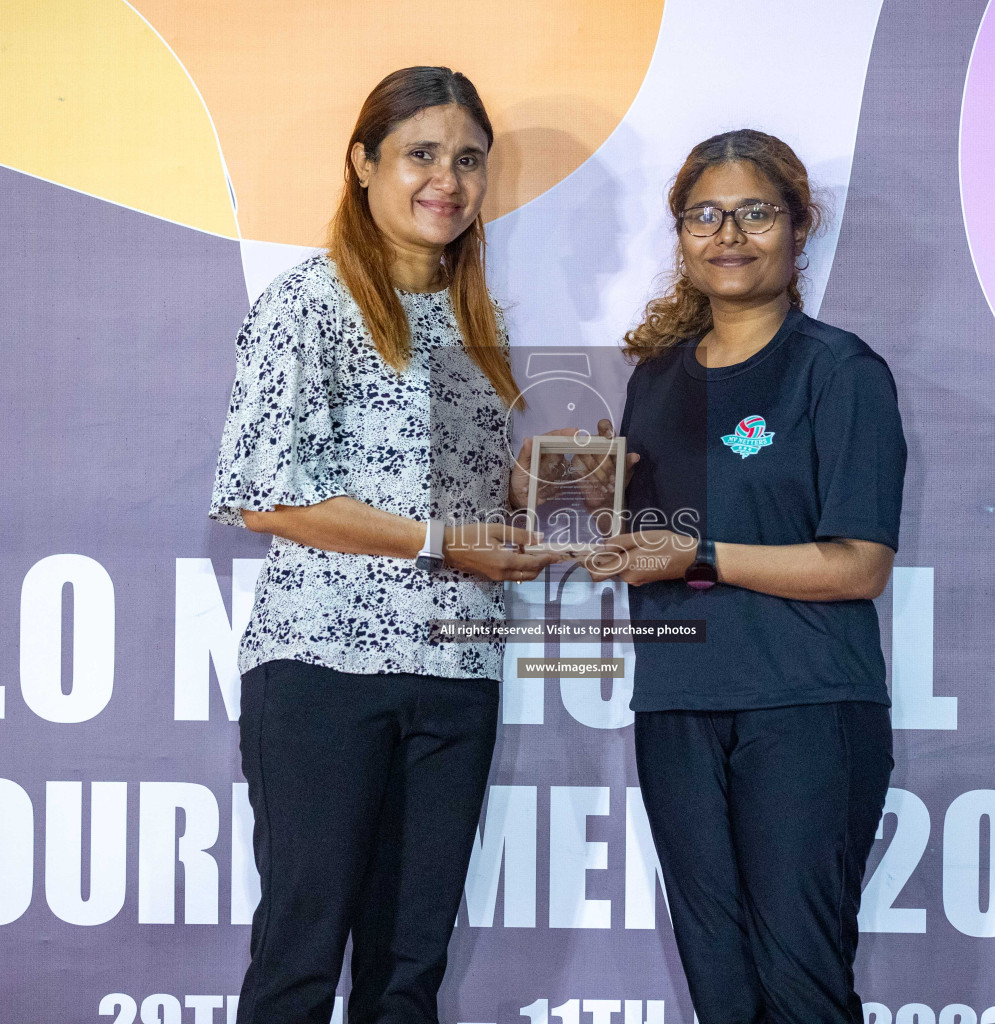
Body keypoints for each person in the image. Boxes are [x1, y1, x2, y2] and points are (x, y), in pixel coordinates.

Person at [208, 66, 561, 1024]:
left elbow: (450, 499)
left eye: (468, 160)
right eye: (420, 153)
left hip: (456, 674)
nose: (446, 178)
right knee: (300, 958)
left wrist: (540, 492)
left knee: (409, 973)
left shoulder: (476, 320)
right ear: (363, 163)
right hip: (325, 672)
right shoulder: (307, 303)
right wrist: (452, 543)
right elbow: (263, 495)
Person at [580, 129, 907, 1024]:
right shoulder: (655, 378)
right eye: (704, 215)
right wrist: (567, 489)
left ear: (800, 227)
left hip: (802, 705)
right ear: (681, 234)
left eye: (755, 213)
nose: (729, 234)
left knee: (799, 981)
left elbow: (859, 566)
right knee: (719, 986)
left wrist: (703, 556)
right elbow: (637, 535)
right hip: (677, 703)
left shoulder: (838, 371)